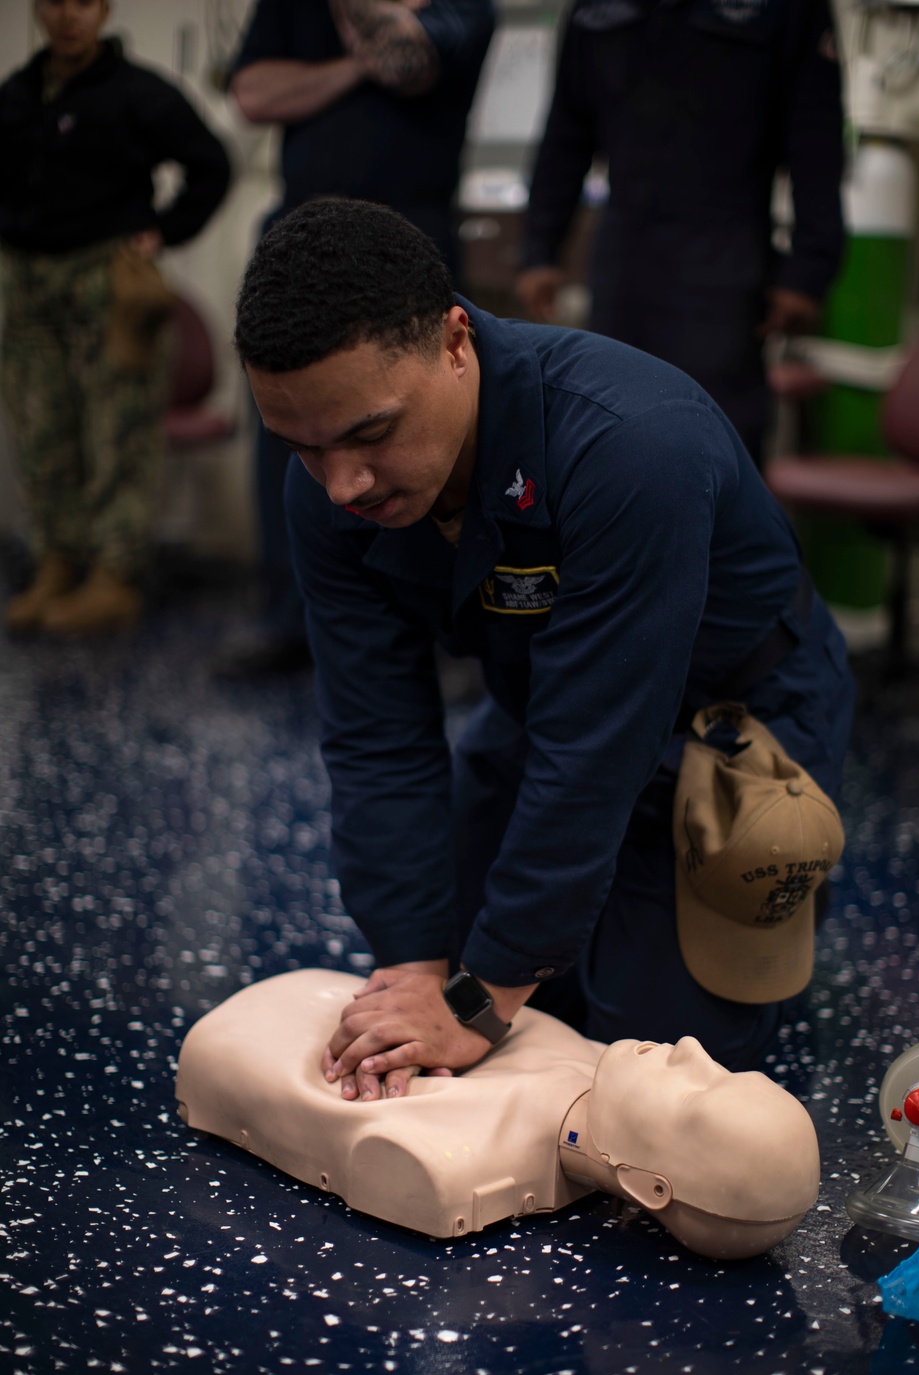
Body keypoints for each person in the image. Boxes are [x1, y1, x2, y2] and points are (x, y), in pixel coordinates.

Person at [233, 197, 855, 1100]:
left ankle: (784, 891)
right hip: (543, 702)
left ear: (455, 343)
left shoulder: (632, 443)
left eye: (370, 435)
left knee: (644, 1071)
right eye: (300, 447)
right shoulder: (329, 486)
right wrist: (412, 964)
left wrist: (482, 1004)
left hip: (734, 723)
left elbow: (595, 753)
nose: (343, 487)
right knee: (463, 972)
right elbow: (378, 736)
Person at [176, 967, 821, 1258]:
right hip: (313, 1001)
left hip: (246, 1037)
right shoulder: (613, 1065)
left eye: (694, 1094)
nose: (692, 1051)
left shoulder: (461, 1160)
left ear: (646, 1186)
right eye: (727, 1070)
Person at [219, 0, 495, 677]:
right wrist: (354, 67)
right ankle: (291, 615)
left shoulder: (464, 7)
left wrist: (321, 74)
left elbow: (408, 63)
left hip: (409, 232)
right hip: (299, 229)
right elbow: (253, 95)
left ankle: (447, 627)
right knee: (290, 440)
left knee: (422, 435)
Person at [515, 0, 845, 465]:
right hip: (624, 256)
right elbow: (565, 134)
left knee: (715, 439)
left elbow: (817, 141)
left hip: (725, 258)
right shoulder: (597, 8)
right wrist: (539, 248)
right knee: (613, 429)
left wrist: (809, 269)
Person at [0, 0, 231, 636]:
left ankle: (115, 575)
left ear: (102, 11)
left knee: (116, 432)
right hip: (27, 281)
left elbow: (212, 166)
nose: (68, 17)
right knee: (41, 430)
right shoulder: (17, 95)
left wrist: (162, 231)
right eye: (54, 4)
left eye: (83, 3)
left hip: (107, 283)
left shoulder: (139, 92)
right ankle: (57, 562)